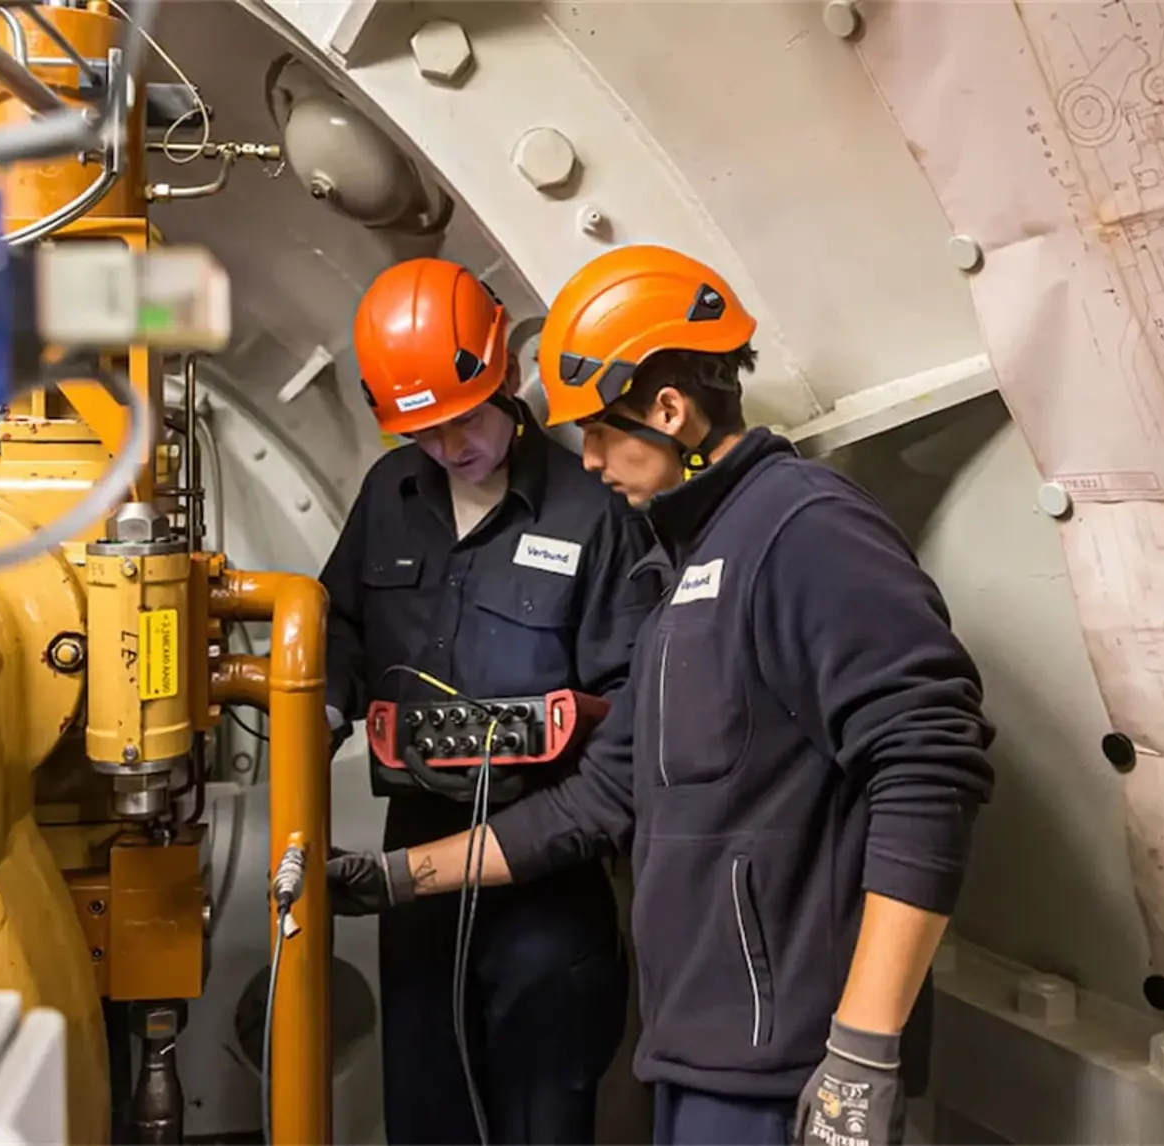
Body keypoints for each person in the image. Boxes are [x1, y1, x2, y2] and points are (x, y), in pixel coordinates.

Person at [326, 245, 997, 1146]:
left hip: (791, 1063)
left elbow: (928, 758)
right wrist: (400, 878)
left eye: (599, 432)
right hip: (698, 1049)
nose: (589, 459)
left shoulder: (803, 526)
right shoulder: (688, 567)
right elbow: (604, 796)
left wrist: (865, 1050)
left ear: (670, 410)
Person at [319, 257, 661, 1146]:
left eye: (463, 419)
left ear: (503, 366)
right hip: (416, 858)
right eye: (424, 431)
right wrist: (319, 708)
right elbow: (337, 631)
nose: (450, 447)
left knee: (540, 1111)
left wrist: (567, 728)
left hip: (545, 865)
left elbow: (639, 697)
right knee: (426, 1104)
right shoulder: (386, 499)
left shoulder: (596, 508)